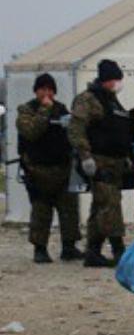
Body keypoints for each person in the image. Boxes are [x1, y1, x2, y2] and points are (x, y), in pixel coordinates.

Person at [68, 58, 132, 267]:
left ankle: (93, 252)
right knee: (111, 205)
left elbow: (119, 128)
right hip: (99, 162)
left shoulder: (112, 101)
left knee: (101, 207)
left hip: (116, 163)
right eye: (115, 80)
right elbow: (76, 129)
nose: (118, 84)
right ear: (105, 80)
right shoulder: (88, 100)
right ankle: (119, 250)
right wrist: (85, 157)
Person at [17, 73, 83, 263]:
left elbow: (73, 133)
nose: (46, 94)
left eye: (50, 90)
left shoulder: (61, 109)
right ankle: (40, 249)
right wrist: (45, 111)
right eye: (42, 89)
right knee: (41, 210)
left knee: (69, 209)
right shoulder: (26, 110)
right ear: (36, 91)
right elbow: (31, 132)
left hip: (62, 168)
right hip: (38, 170)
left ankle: (69, 247)